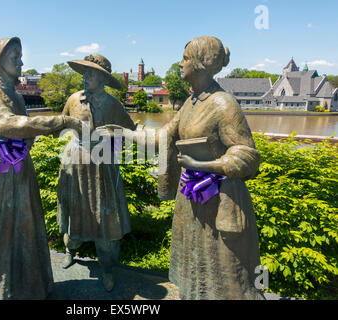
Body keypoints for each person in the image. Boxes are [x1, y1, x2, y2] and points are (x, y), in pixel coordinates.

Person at [100, 36, 265, 299]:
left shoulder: (223, 104)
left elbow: (247, 157)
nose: (181, 63)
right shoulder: (191, 102)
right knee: (196, 263)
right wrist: (121, 133)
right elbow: (162, 137)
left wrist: (204, 164)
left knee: (224, 270)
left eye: (186, 58)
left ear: (200, 63)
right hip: (193, 196)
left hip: (218, 197)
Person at [0, 37, 82, 300]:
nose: (21, 62)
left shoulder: (15, 94)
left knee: (23, 225)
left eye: (20, 56)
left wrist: (36, 134)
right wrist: (60, 121)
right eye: (15, 57)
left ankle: (24, 286)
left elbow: (25, 131)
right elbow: (8, 125)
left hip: (20, 167)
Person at [57, 54, 136, 291]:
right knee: (75, 214)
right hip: (75, 162)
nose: (85, 76)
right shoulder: (73, 99)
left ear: (102, 78)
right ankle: (70, 249)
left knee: (106, 220)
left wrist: (115, 139)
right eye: (84, 72)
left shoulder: (113, 105)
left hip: (103, 165)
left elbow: (131, 131)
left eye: (90, 73)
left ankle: (107, 267)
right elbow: (61, 123)